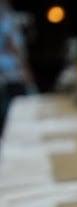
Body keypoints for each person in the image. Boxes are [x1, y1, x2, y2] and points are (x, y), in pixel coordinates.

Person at [0, 0, 34, 137]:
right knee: (10, 112)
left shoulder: (9, 19)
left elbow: (17, 48)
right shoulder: (8, 22)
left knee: (15, 112)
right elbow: (15, 47)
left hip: (12, 73)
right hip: (8, 74)